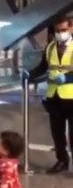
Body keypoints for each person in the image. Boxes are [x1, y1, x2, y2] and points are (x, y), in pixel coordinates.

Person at [22, 17, 73, 174]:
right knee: (57, 132)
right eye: (57, 31)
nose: (60, 34)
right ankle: (62, 160)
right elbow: (43, 67)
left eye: (63, 30)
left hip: (71, 96)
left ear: (71, 28)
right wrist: (29, 73)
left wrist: (67, 77)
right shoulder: (50, 47)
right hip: (54, 96)